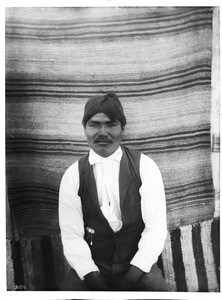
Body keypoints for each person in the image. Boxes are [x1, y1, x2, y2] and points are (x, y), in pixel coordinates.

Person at [58, 92, 168, 291]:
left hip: (138, 266)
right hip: (92, 267)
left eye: (111, 124)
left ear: (122, 128)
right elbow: (71, 235)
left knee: (156, 291)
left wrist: (130, 279)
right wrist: (93, 280)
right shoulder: (73, 175)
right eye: (94, 124)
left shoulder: (145, 167)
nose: (102, 132)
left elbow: (156, 230)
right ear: (84, 128)